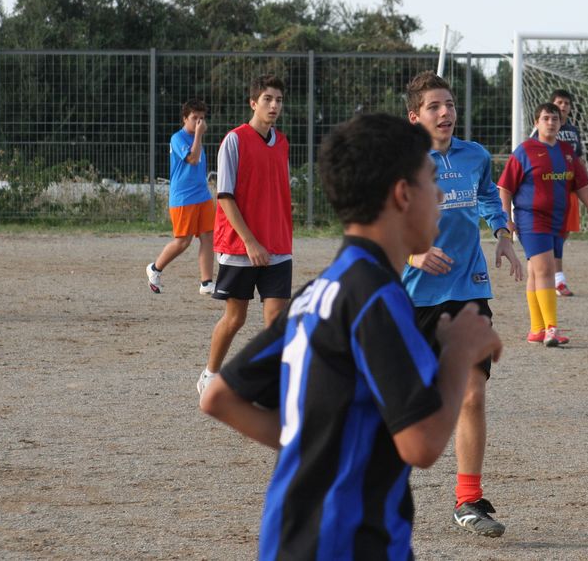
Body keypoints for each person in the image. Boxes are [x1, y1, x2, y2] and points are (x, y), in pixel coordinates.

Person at [199, 112, 502, 560]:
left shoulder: (321, 289)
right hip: (351, 541)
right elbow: (420, 444)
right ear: (402, 195)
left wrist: (321, 449)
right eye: (431, 182)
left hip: (289, 538)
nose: (441, 196)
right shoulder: (378, 298)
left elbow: (218, 396)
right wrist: (458, 353)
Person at [401, 71, 523, 537]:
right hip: (416, 297)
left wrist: (502, 232)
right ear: (414, 117)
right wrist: (412, 254)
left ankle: (468, 499)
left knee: (472, 394)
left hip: (469, 290)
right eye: (433, 106)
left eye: (449, 104)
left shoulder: (474, 155)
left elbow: (488, 195)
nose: (445, 112)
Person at [196, 76, 292, 396]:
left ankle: (271, 386)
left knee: (277, 321)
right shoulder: (234, 141)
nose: (274, 105)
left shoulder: (282, 142)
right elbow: (224, 197)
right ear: (253, 103)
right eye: (267, 99)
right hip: (240, 247)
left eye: (279, 99)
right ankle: (210, 374)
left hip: (278, 245)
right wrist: (251, 241)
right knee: (235, 318)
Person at [498, 102, 588, 347]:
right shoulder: (524, 151)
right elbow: (504, 187)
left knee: (536, 272)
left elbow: (582, 185)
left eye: (555, 118)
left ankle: (536, 329)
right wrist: (507, 219)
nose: (551, 122)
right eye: (545, 118)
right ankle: (551, 330)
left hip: (558, 220)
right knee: (546, 269)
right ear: (536, 123)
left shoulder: (567, 152)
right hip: (531, 219)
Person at [146, 97, 216, 296]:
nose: (199, 122)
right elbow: (192, 159)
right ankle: (155, 268)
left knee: (208, 237)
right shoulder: (177, 138)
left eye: (202, 118)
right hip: (184, 198)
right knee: (183, 241)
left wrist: (198, 136)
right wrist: (199, 135)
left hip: (202, 195)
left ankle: (206, 282)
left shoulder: (197, 138)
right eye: (194, 118)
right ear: (185, 119)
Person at [531, 88, 585, 297]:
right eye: (559, 102)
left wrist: (583, 183)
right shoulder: (540, 131)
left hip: (569, 188)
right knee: (552, 234)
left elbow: (578, 159)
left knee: (563, 232)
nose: (563, 106)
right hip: (548, 189)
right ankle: (556, 278)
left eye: (566, 103)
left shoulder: (573, 131)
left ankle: (553, 274)